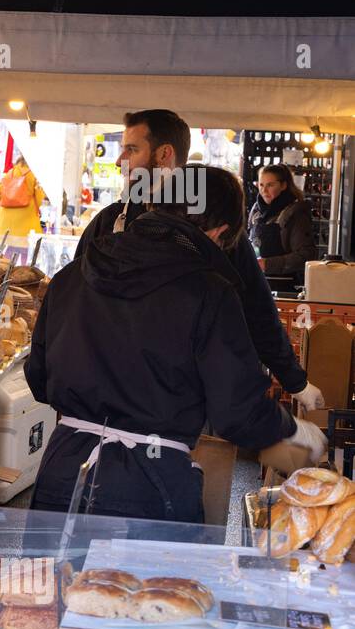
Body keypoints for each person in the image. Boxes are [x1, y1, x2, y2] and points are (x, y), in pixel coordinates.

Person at [26, 165, 323, 521]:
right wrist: (293, 430)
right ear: (220, 232)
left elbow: (39, 379)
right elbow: (236, 413)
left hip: (62, 471)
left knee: (55, 578)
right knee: (152, 580)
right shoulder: (211, 292)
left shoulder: (72, 275)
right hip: (150, 484)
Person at [77, 109, 321, 411]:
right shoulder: (110, 221)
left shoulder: (214, 225)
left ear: (164, 154)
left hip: (180, 407)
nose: (118, 160)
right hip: (103, 396)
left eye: (131, 149)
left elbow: (256, 308)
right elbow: (74, 298)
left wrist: (294, 380)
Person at [249, 163, 318, 291]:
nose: (264, 190)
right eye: (261, 185)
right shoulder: (256, 211)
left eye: (270, 185)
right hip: (257, 283)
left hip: (285, 287)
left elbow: (306, 254)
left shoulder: (295, 214)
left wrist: (268, 264)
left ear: (283, 186)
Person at [0, 153, 45, 256]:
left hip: (6, 220)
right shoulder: (33, 175)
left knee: (9, 249)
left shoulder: (9, 173)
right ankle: (21, 270)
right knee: (25, 250)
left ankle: (7, 269)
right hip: (26, 219)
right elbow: (39, 198)